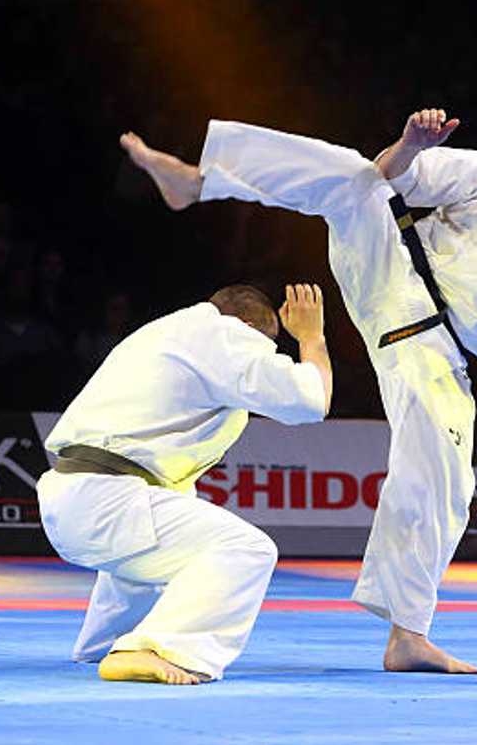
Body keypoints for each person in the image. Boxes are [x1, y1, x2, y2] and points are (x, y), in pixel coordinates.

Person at [119, 108, 477, 674]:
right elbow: (394, 175)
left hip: (436, 353)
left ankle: (407, 636)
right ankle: (199, 182)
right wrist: (409, 144)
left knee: (446, 484)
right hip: (395, 271)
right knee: (356, 179)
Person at [37, 283, 333, 684]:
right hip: (107, 500)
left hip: (75, 495)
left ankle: (107, 643)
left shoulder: (161, 335)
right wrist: (312, 338)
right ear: (247, 324)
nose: (264, 355)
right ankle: (157, 648)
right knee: (247, 549)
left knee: (166, 540)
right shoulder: (225, 334)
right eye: (267, 344)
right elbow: (310, 402)